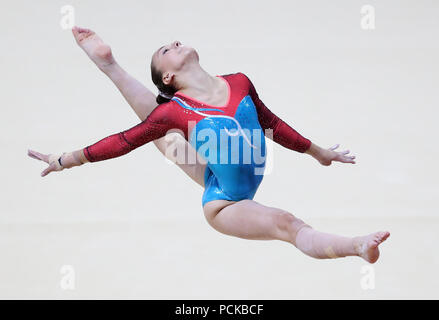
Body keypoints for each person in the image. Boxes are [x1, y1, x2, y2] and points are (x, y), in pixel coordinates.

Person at [28, 27, 389, 263]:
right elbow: (124, 142)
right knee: (287, 224)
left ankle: (108, 63)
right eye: (166, 49)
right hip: (224, 203)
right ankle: (357, 246)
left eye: (175, 41)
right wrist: (66, 159)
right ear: (167, 76)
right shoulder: (174, 109)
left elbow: (271, 124)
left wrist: (318, 152)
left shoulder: (239, 81)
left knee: (165, 133)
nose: (175, 42)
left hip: (214, 169)